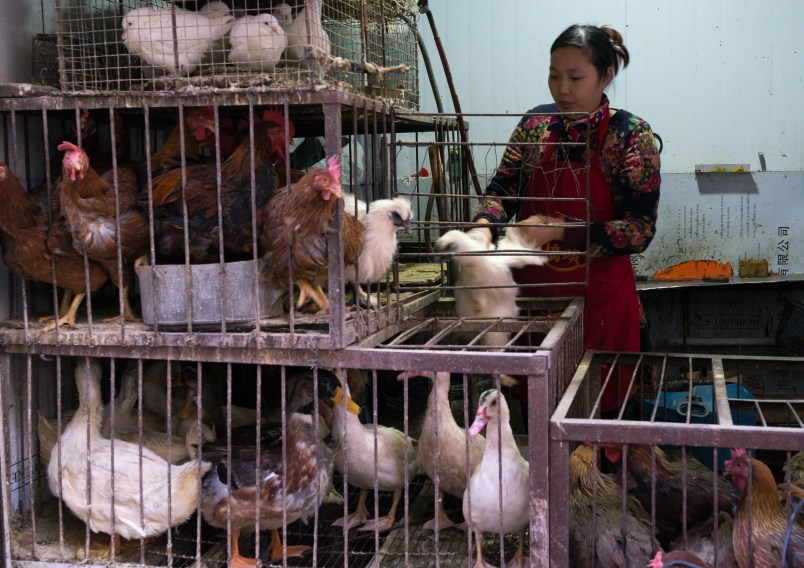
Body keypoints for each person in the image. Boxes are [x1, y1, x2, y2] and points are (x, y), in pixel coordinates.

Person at [470, 24, 661, 414]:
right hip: (536, 311)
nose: (562, 90)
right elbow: (502, 190)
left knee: (601, 428)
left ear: (605, 76)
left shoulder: (629, 137)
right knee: (538, 424)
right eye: (554, 76)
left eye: (576, 78)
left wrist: (562, 231)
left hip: (601, 311)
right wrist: (482, 226)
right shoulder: (534, 127)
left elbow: (639, 230)